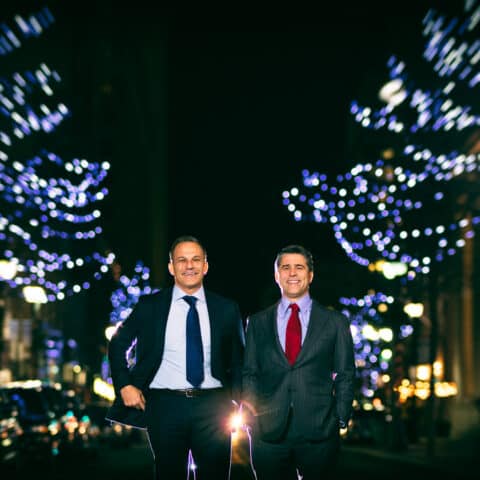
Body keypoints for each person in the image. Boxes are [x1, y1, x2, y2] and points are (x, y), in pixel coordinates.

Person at [106, 235, 245, 479]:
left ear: (205, 266)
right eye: (181, 260)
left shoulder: (226, 308)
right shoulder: (150, 306)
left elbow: (239, 359)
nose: (189, 266)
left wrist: (238, 399)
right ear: (171, 267)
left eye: (195, 260)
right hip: (164, 406)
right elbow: (118, 344)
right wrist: (124, 384)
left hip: (214, 407)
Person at [242, 244, 355, 480]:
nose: (292, 273)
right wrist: (251, 416)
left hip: (320, 431)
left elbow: (345, 373)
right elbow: (250, 373)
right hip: (268, 432)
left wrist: (340, 416)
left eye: (299, 267)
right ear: (277, 275)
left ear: (310, 275)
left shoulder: (335, 322)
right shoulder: (257, 323)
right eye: (285, 267)